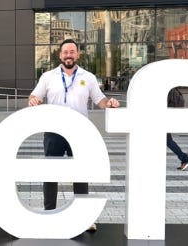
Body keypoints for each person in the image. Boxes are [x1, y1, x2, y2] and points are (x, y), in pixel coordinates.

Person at [28, 39, 120, 232]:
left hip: (80, 132)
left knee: (81, 174)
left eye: (72, 52)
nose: (68, 55)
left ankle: (84, 219)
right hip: (54, 131)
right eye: (65, 52)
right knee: (50, 174)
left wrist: (109, 103)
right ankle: (48, 214)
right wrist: (34, 99)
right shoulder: (48, 76)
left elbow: (99, 100)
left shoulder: (88, 77)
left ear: (78, 54)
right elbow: (34, 96)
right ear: (60, 55)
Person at [167, 87, 188, 170]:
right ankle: (184, 159)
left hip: (163, 117)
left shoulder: (168, 90)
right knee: (168, 140)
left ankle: (185, 159)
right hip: (168, 116)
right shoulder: (173, 90)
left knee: (168, 141)